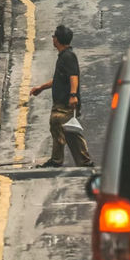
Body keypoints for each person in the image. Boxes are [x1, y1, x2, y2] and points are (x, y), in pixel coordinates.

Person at [30, 24, 94, 168]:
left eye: (54, 36)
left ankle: (84, 162)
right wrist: (41, 87)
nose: (52, 38)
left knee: (70, 131)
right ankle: (57, 160)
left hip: (66, 103)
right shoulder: (64, 56)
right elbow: (58, 79)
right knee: (57, 127)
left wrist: (73, 95)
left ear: (57, 40)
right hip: (60, 103)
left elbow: (73, 77)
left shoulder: (68, 57)